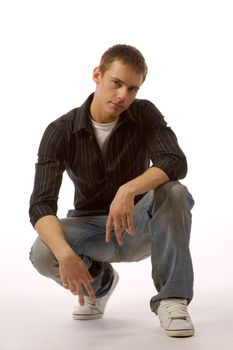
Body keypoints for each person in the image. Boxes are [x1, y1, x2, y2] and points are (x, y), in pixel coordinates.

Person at [29, 44, 195, 337]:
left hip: (141, 224)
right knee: (45, 251)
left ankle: (172, 299)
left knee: (174, 192)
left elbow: (174, 160)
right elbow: (41, 205)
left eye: (132, 89)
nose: (123, 96)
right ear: (97, 75)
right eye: (116, 83)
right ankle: (100, 285)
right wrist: (66, 255)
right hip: (93, 230)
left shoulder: (144, 114)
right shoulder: (60, 131)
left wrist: (128, 190)